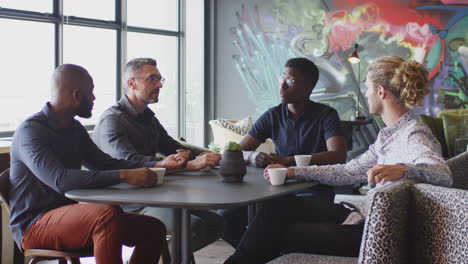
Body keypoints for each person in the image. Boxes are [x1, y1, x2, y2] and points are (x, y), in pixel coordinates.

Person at [224, 56, 453, 264]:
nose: (365, 92)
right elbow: (348, 171)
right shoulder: (389, 135)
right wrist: (294, 170)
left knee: (275, 231)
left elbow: (443, 173)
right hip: (364, 218)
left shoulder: (413, 134)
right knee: (277, 207)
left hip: (374, 235)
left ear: (381, 92)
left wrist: (403, 169)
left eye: (367, 87)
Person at [9, 64, 189, 264]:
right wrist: (124, 175)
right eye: (91, 92)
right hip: (34, 224)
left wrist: (154, 166)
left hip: (70, 215)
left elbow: (102, 163)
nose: (94, 98)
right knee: (105, 214)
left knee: (154, 228)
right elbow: (60, 179)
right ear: (77, 95)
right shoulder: (31, 131)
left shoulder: (74, 128)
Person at [93, 58, 224, 251]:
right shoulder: (112, 120)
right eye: (152, 79)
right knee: (191, 228)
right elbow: (131, 163)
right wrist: (193, 165)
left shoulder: (148, 118)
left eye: (160, 79)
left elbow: (172, 146)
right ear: (132, 83)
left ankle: (167, 255)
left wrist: (213, 156)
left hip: (153, 194)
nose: (159, 85)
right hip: (125, 203)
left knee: (216, 223)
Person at [219, 57, 348, 248]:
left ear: (309, 87)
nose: (282, 85)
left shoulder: (326, 115)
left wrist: (288, 161)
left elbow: (338, 155)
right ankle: (263, 257)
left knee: (271, 214)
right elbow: (235, 151)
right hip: (274, 191)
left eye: (291, 80)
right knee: (224, 218)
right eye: (282, 78)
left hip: (314, 192)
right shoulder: (273, 115)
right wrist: (255, 157)